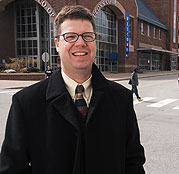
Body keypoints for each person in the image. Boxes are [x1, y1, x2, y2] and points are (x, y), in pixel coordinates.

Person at [0, 5, 145, 174]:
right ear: (57, 44)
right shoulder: (26, 103)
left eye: (87, 36)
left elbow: (133, 163)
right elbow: (12, 169)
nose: (81, 43)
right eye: (70, 36)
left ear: (94, 43)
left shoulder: (121, 99)